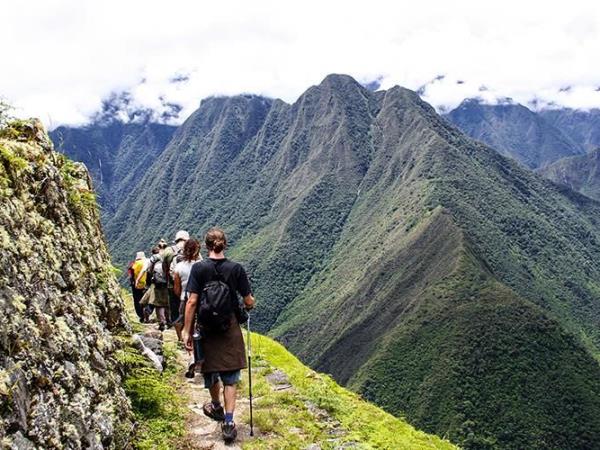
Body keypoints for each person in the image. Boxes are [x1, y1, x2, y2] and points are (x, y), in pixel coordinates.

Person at [184, 228, 255, 444]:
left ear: (206, 246)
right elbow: (249, 300)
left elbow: (192, 301)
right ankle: (230, 422)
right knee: (230, 376)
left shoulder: (198, 269)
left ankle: (216, 406)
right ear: (225, 245)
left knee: (211, 370)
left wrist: (187, 330)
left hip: (206, 328)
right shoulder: (236, 269)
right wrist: (247, 307)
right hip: (229, 327)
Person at [173, 239, 202, 374]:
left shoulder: (178, 267)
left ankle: (191, 356)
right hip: (202, 300)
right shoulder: (202, 266)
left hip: (185, 300)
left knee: (187, 329)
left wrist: (183, 296)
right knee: (201, 328)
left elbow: (176, 289)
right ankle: (201, 357)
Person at [137, 242, 169, 330]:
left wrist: (139, 280)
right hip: (168, 283)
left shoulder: (155, 257)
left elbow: (147, 269)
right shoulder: (170, 255)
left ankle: (161, 321)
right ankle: (169, 321)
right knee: (167, 303)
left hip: (156, 283)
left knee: (157, 304)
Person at [163, 230, 189, 338]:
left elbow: (165, 267)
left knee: (175, 311)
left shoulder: (168, 251)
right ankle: (189, 334)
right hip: (189, 287)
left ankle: (179, 337)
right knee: (189, 310)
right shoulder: (191, 248)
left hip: (172, 286)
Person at [130, 251, 147, 322]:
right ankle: (146, 315)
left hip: (136, 285)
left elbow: (131, 275)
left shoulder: (134, 264)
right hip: (145, 284)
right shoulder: (146, 263)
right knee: (145, 300)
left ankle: (141, 316)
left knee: (137, 300)